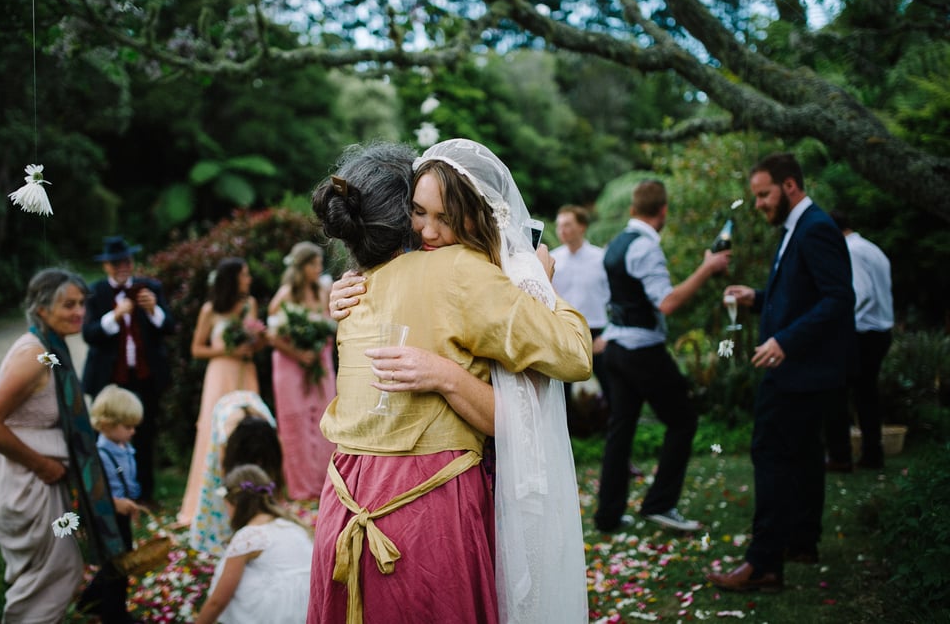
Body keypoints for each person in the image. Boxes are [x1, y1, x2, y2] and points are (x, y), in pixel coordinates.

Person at [309, 140, 592, 624]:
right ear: (403, 209)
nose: (430, 230)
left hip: (341, 503)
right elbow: (575, 355)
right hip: (425, 513)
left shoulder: (356, 287)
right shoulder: (460, 270)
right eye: (419, 213)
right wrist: (541, 285)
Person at [710, 152, 854, 592]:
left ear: (790, 186)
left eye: (764, 194)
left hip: (795, 367)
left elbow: (837, 299)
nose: (758, 204)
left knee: (770, 454)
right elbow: (802, 293)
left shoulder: (815, 229)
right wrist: (755, 296)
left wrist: (784, 342)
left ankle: (764, 564)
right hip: (802, 369)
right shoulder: (800, 227)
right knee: (806, 453)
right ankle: (802, 541)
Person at [0, 268, 124, 623]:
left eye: (82, 304)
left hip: (38, 480)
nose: (79, 312)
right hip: (25, 482)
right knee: (56, 572)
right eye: (68, 305)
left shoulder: (49, 350)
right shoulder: (34, 356)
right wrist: (41, 464)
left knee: (54, 571)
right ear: (41, 309)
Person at [593, 179, 731, 534]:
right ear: (663, 211)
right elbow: (666, 303)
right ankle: (661, 504)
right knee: (683, 421)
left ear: (632, 209)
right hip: (642, 352)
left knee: (619, 432)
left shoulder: (615, 245)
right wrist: (707, 267)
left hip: (616, 349)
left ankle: (608, 516)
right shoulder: (645, 247)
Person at [82, 235, 176, 505]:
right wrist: (116, 315)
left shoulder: (150, 288)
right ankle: (110, 495)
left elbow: (169, 327)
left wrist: (153, 310)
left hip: (144, 378)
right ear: (106, 267)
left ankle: (144, 495)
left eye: (126, 261)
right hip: (109, 380)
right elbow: (90, 334)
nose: (122, 266)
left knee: (144, 436)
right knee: (108, 438)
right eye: (115, 263)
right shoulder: (96, 293)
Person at [179, 257, 266, 532]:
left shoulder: (249, 304)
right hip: (220, 375)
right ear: (231, 278)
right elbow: (196, 349)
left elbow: (256, 339)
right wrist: (228, 350)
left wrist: (256, 341)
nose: (249, 279)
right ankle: (207, 502)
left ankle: (249, 498)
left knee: (248, 429)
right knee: (214, 433)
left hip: (245, 373)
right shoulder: (210, 310)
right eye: (245, 275)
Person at [194, 464, 314, 624]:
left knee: (234, 574)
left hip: (282, 613)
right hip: (310, 607)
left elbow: (217, 602)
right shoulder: (290, 524)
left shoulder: (250, 536)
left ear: (235, 502)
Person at [823, 210, 895, 471]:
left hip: (862, 332)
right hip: (881, 330)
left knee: (836, 391)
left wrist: (840, 324)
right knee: (866, 395)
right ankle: (872, 454)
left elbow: (860, 294)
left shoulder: (851, 251)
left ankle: (840, 455)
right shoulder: (872, 248)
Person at [267, 241, 337, 501]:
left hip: (320, 364)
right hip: (291, 366)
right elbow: (272, 334)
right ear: (302, 266)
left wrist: (317, 347)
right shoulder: (285, 295)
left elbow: (331, 324)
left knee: (324, 420)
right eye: (314, 263)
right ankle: (301, 487)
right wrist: (299, 353)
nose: (319, 268)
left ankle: (326, 482)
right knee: (295, 423)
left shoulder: (323, 291)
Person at [78, 385, 145, 623]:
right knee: (117, 567)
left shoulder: (124, 448)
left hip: (123, 515)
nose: (133, 431)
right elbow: (93, 494)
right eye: (128, 427)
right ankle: (114, 614)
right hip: (109, 518)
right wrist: (116, 503)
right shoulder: (101, 456)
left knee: (118, 564)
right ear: (106, 425)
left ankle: (90, 601)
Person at [551, 204, 615, 438]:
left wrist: (607, 336)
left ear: (582, 226)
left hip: (598, 332)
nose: (562, 230)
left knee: (613, 392)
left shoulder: (601, 259)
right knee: (560, 395)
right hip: (565, 332)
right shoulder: (552, 260)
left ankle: (615, 445)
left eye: (567, 224)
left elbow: (615, 298)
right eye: (559, 226)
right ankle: (568, 446)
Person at [189, 390, 279, 556]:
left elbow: (275, 470)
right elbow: (226, 477)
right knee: (225, 486)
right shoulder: (226, 435)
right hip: (226, 412)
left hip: (254, 414)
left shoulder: (270, 433)